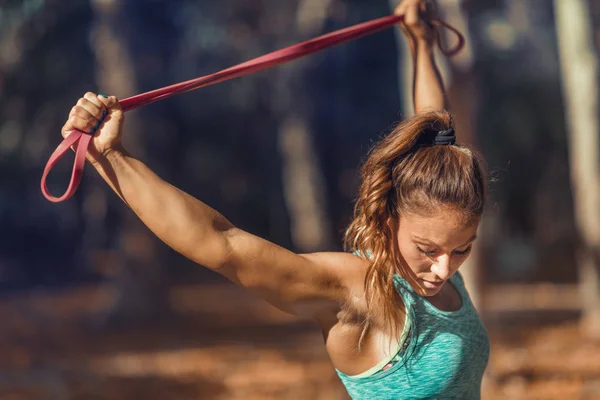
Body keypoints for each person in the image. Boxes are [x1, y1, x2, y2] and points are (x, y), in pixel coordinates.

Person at [61, 0, 489, 397]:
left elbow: (432, 133)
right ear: (391, 217)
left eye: (462, 250)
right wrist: (111, 156)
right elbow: (221, 244)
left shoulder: (439, 249)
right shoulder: (355, 291)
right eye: (428, 250)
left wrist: (420, 42)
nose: (444, 268)